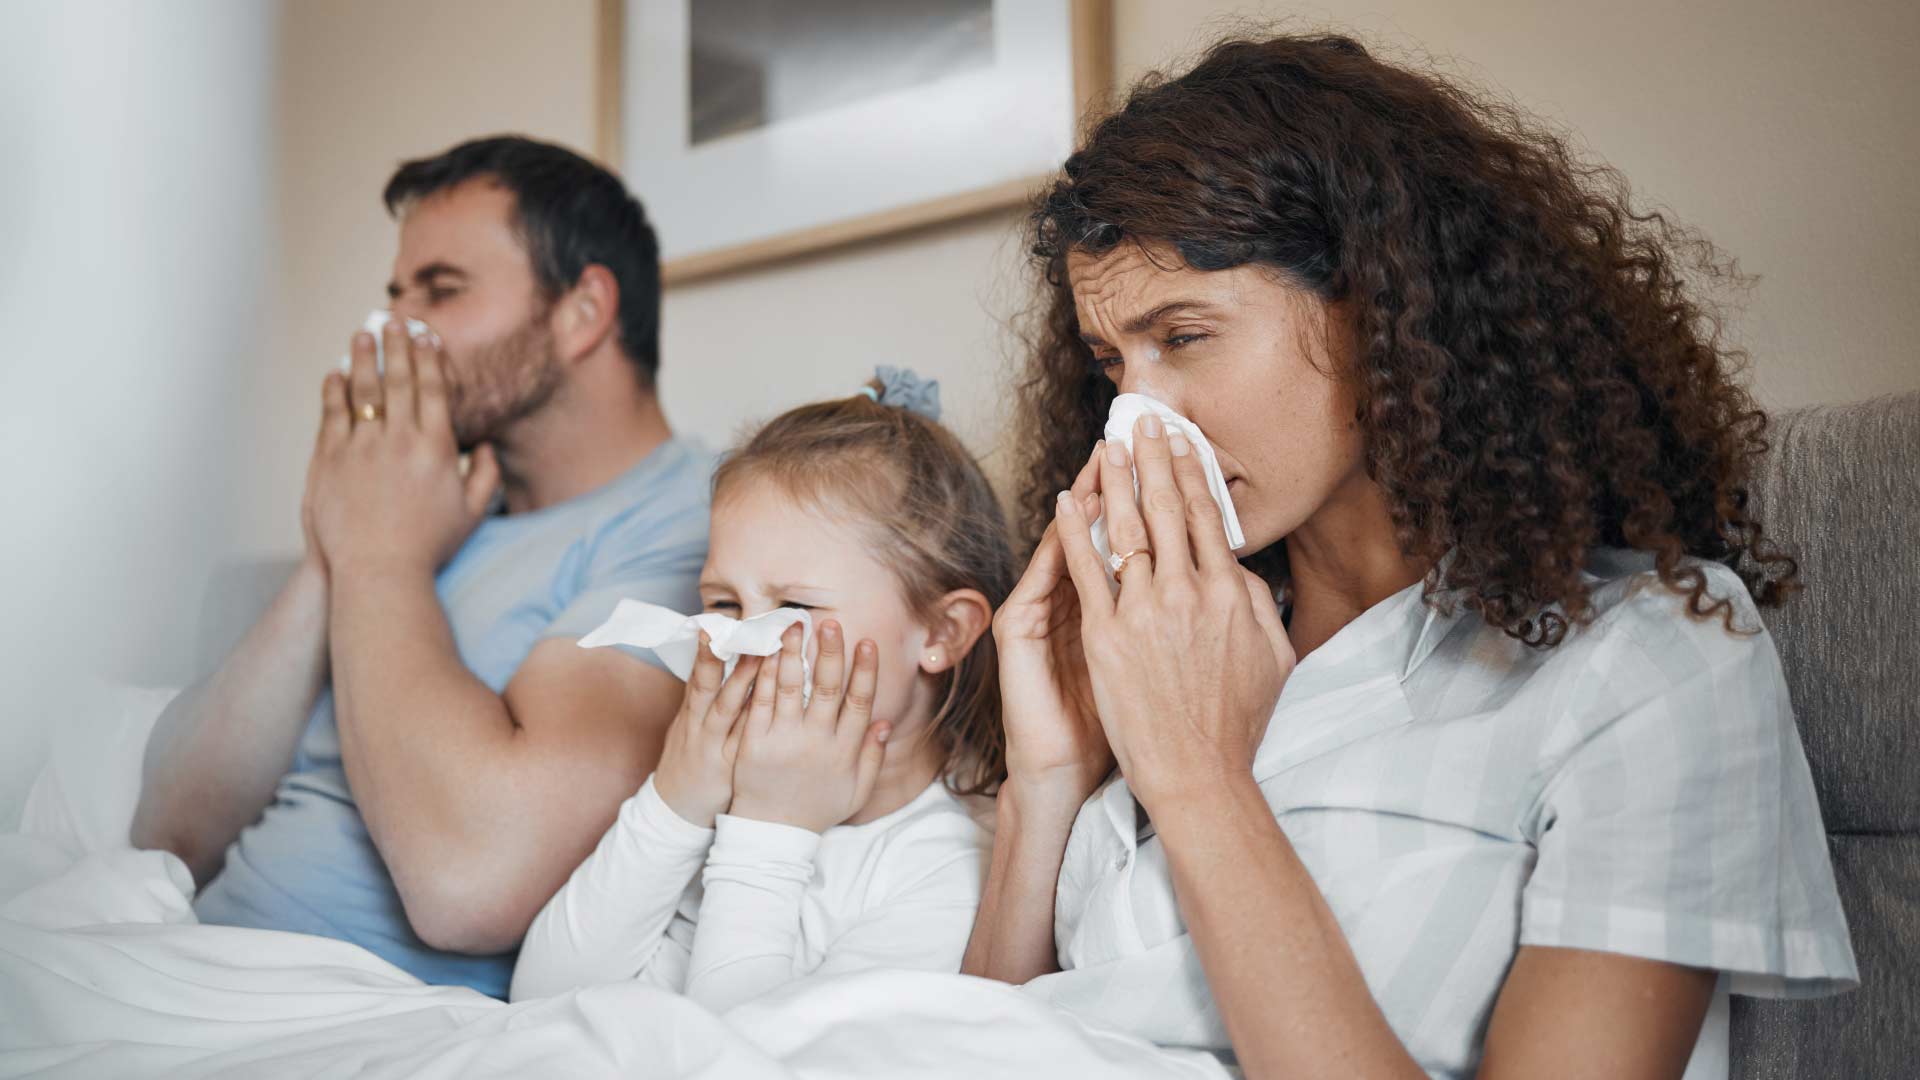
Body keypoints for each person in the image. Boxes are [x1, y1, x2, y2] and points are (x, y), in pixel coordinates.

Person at [960, 34, 1857, 1079]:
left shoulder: (1652, 664)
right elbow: (964, 1046)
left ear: (1379, 311)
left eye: (1187, 336)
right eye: (1113, 362)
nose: (1136, 419)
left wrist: (1202, 783)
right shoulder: (1165, 640)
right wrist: (1048, 779)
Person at [129, 136, 712, 999]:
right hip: (184, 955)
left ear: (583, 311)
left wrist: (379, 558)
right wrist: (341, 536)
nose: (391, 330)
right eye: (395, 295)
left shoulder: (696, 521)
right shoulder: (414, 508)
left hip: (332, 1010)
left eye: (441, 290)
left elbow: (469, 884)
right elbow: (167, 836)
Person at [511, 372, 1012, 1011]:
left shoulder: (950, 861)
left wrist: (773, 828)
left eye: (794, 605)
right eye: (722, 602)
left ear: (942, 631)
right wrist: (673, 803)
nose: (740, 641)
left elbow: (746, 1052)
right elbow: (540, 999)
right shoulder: (714, 787)